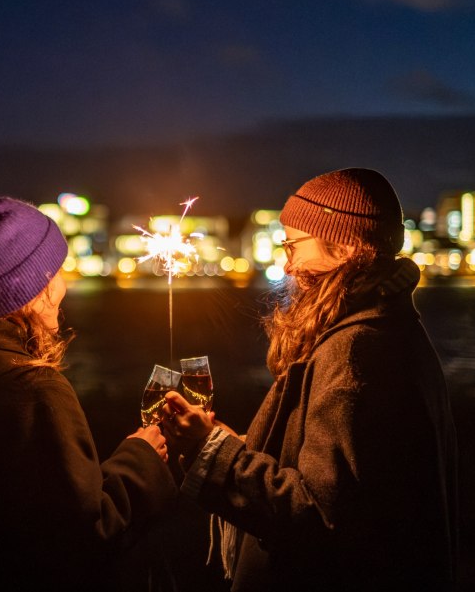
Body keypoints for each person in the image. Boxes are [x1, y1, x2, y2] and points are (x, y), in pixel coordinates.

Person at [160, 168, 458, 590]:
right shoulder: (385, 326)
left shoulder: (356, 347)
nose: (287, 264)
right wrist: (231, 444)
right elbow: (341, 479)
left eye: (294, 245)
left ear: (343, 247)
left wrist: (213, 453)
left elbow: (318, 511)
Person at [0, 197, 177, 591]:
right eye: (59, 271)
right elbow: (85, 533)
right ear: (36, 288)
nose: (64, 286)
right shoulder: (34, 390)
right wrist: (142, 459)